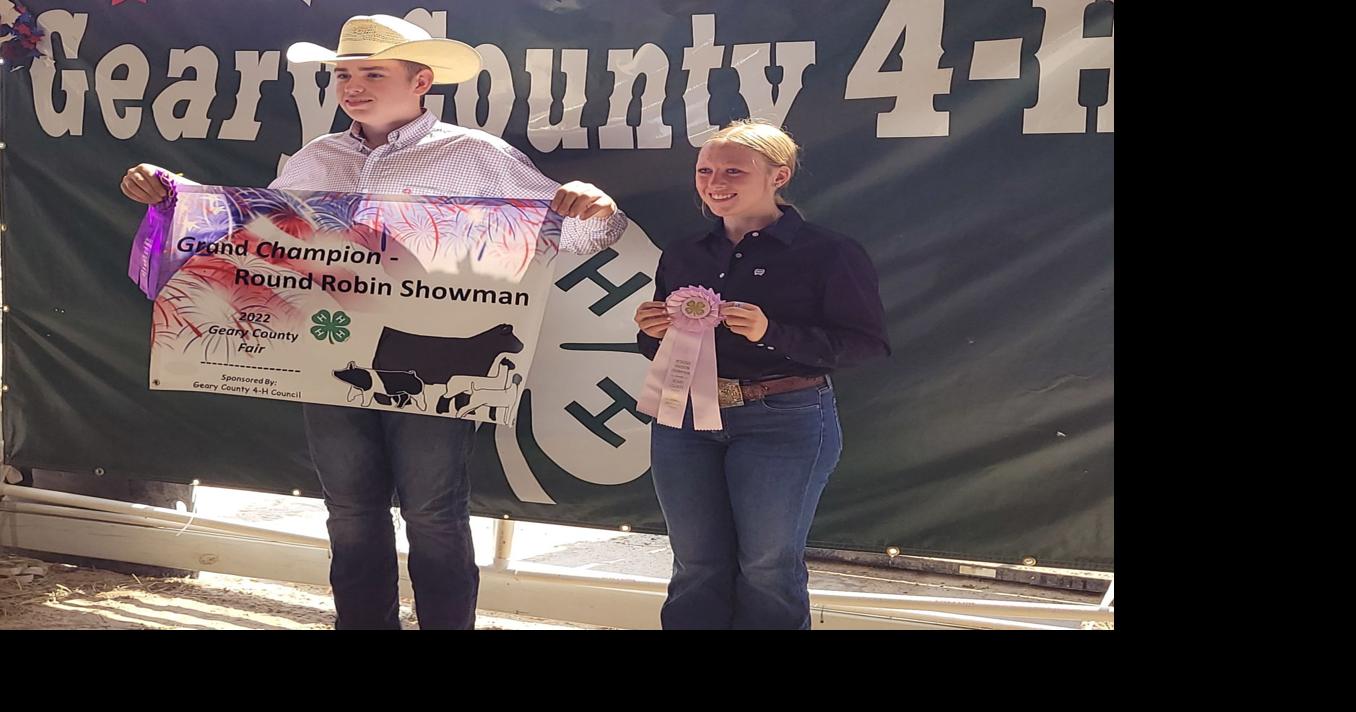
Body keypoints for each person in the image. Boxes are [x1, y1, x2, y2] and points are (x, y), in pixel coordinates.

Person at [120, 14, 627, 630]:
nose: (353, 86)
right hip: (328, 359)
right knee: (350, 510)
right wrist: (172, 194)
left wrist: (594, 205)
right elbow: (253, 237)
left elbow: (576, 237)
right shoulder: (317, 158)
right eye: (344, 75)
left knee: (434, 511)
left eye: (372, 73)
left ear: (422, 81)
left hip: (434, 362)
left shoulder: (479, 157)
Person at [634, 119, 889, 629]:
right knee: (695, 566)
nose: (715, 182)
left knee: (767, 568)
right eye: (705, 170)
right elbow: (656, 347)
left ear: (780, 176)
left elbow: (865, 345)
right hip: (684, 420)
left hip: (785, 419)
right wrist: (651, 329)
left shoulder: (829, 252)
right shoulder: (684, 252)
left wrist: (772, 331)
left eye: (734, 170)